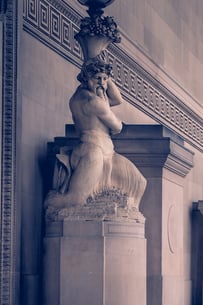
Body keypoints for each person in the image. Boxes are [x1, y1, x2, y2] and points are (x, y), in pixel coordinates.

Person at [46, 59, 146, 211]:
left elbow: (117, 99)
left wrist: (104, 80)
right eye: (97, 78)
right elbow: (117, 127)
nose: (102, 82)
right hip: (92, 151)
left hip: (108, 153)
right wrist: (103, 90)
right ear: (86, 78)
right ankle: (52, 206)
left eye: (105, 79)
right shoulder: (93, 102)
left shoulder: (80, 95)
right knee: (77, 198)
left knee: (139, 182)